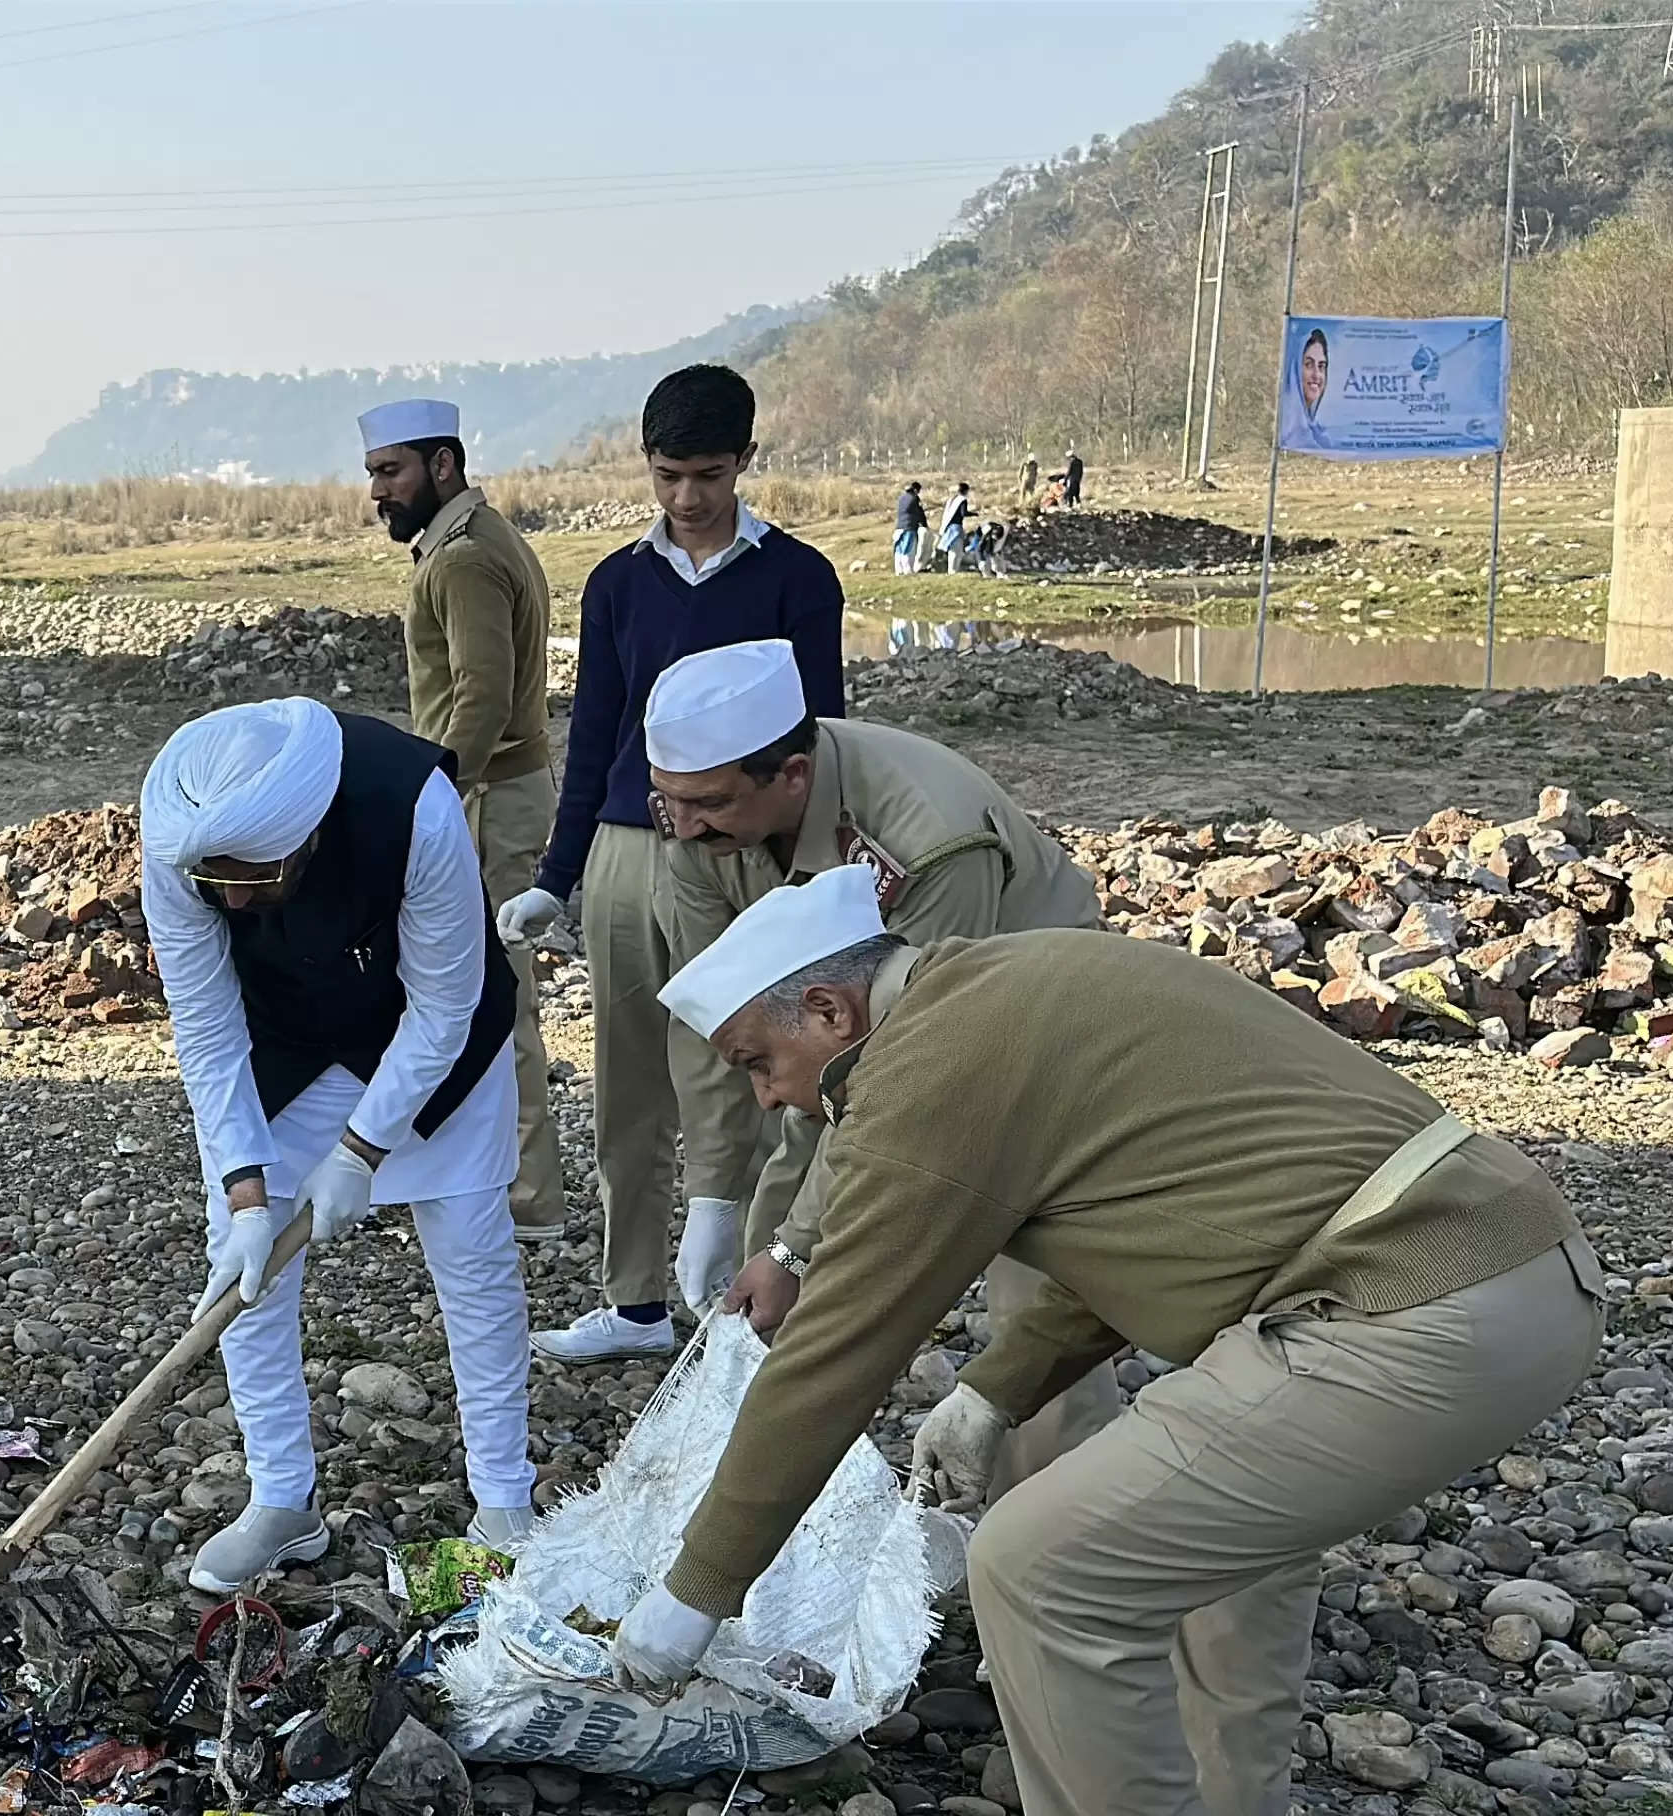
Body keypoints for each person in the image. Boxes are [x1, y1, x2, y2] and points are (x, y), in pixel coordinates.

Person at [615, 866, 1601, 1816]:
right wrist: (995, 1391)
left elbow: (835, 1357)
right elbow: (1151, 1212)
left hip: (1407, 1309)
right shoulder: (1004, 985)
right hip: (1511, 1273)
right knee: (1203, 1531)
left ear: (832, 1014)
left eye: (760, 1062)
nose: (767, 1098)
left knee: (1045, 1565)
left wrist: (695, 1590)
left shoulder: (931, 1063)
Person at [637, 637, 1122, 1475]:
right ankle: (779, 1513)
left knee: (1037, 1305)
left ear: (790, 775)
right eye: (668, 802)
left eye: (706, 804)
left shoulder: (927, 842)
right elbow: (738, 1035)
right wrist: (719, 1198)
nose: (681, 827)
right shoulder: (699, 830)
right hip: (876, 1036)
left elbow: (909, 1066)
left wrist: (794, 1247)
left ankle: (1056, 1543)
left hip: (1042, 1041)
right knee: (783, 1280)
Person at [140, 699, 536, 1590]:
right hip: (281, 1038)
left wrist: (361, 1151)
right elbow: (204, 1028)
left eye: (252, 878)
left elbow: (443, 1008)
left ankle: (506, 1497)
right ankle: (283, 1498)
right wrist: (245, 1190)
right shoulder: (178, 830)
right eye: (217, 882)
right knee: (243, 1269)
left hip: (434, 1033)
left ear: (306, 835)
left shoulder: (415, 807)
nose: (233, 901)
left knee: (473, 1259)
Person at [501, 363, 843, 1366]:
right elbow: (597, 730)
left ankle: (745, 1291)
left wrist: (808, 873)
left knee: (750, 1063)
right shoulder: (617, 583)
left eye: (705, 474)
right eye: (666, 476)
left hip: (743, 851)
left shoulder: (795, 576)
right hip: (621, 845)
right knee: (629, 1077)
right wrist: (554, 878)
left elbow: (815, 739)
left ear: (743, 461)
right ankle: (634, 1299)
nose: (686, 498)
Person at [357, 397, 564, 1238]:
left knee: (492, 1002)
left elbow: (480, 693)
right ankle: (504, 1187)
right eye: (373, 472)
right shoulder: (471, 541)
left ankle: (525, 1200)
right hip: (493, 792)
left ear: (443, 465)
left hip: (484, 799)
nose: (377, 490)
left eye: (390, 470)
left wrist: (433, 791)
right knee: (480, 995)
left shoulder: (465, 558)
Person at [892, 481, 928, 575]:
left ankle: (899, 570)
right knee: (908, 549)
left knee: (899, 549)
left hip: (899, 527)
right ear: (916, 490)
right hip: (909, 527)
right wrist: (924, 525)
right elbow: (920, 512)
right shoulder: (915, 498)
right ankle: (907, 571)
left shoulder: (901, 498)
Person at [940, 482, 974, 570]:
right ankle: (953, 569)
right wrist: (974, 514)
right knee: (956, 550)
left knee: (951, 549)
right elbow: (963, 513)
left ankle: (950, 569)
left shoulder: (952, 499)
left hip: (948, 527)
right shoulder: (962, 500)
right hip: (956, 528)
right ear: (966, 491)